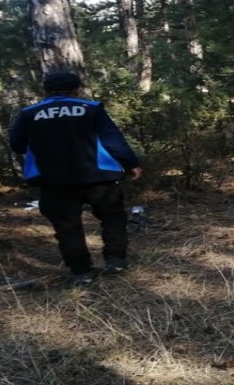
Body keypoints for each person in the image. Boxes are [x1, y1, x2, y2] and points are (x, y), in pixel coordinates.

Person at [9, 71, 143, 286]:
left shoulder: (29, 113)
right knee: (113, 217)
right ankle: (116, 261)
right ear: (77, 89)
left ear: (46, 91)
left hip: (53, 180)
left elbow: (17, 144)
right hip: (98, 176)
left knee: (67, 227)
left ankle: (81, 272)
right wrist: (131, 163)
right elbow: (112, 140)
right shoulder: (92, 108)